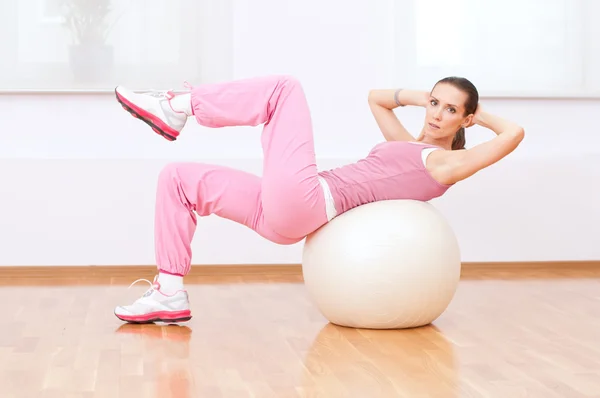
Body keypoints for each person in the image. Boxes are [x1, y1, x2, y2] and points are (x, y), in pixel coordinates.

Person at [112, 74, 524, 323]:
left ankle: (177, 107)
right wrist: (429, 96)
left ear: (466, 119)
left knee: (284, 90)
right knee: (178, 179)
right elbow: (375, 97)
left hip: (310, 200)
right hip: (287, 215)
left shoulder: (446, 164)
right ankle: (168, 293)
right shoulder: (413, 147)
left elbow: (513, 134)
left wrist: (476, 111)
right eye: (434, 103)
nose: (436, 114)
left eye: (450, 110)